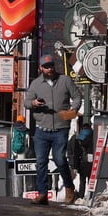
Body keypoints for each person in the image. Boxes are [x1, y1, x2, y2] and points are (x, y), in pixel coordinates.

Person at [23, 53, 83, 205]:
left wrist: (72, 110)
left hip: (61, 128)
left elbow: (77, 97)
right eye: (46, 67)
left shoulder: (65, 80)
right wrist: (34, 103)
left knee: (60, 159)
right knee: (41, 162)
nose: (49, 69)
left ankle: (69, 188)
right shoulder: (36, 84)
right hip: (41, 129)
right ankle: (42, 193)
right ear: (41, 68)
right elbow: (26, 102)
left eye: (51, 66)